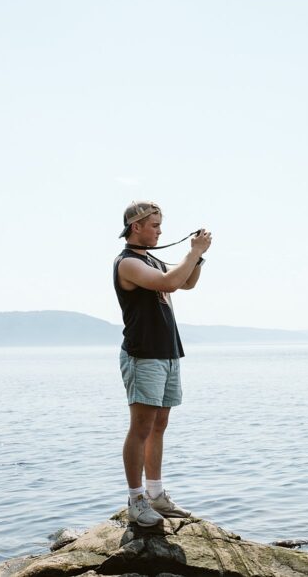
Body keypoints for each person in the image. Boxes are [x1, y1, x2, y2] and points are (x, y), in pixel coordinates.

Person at [113, 200, 212, 526]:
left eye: (160, 225)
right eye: (154, 225)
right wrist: (192, 252)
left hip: (167, 352)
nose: (159, 231)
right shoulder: (127, 263)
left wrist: (197, 256)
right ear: (136, 226)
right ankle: (136, 500)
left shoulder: (151, 258)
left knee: (159, 426)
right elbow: (169, 282)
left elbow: (186, 282)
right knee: (141, 427)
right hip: (143, 355)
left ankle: (156, 495)